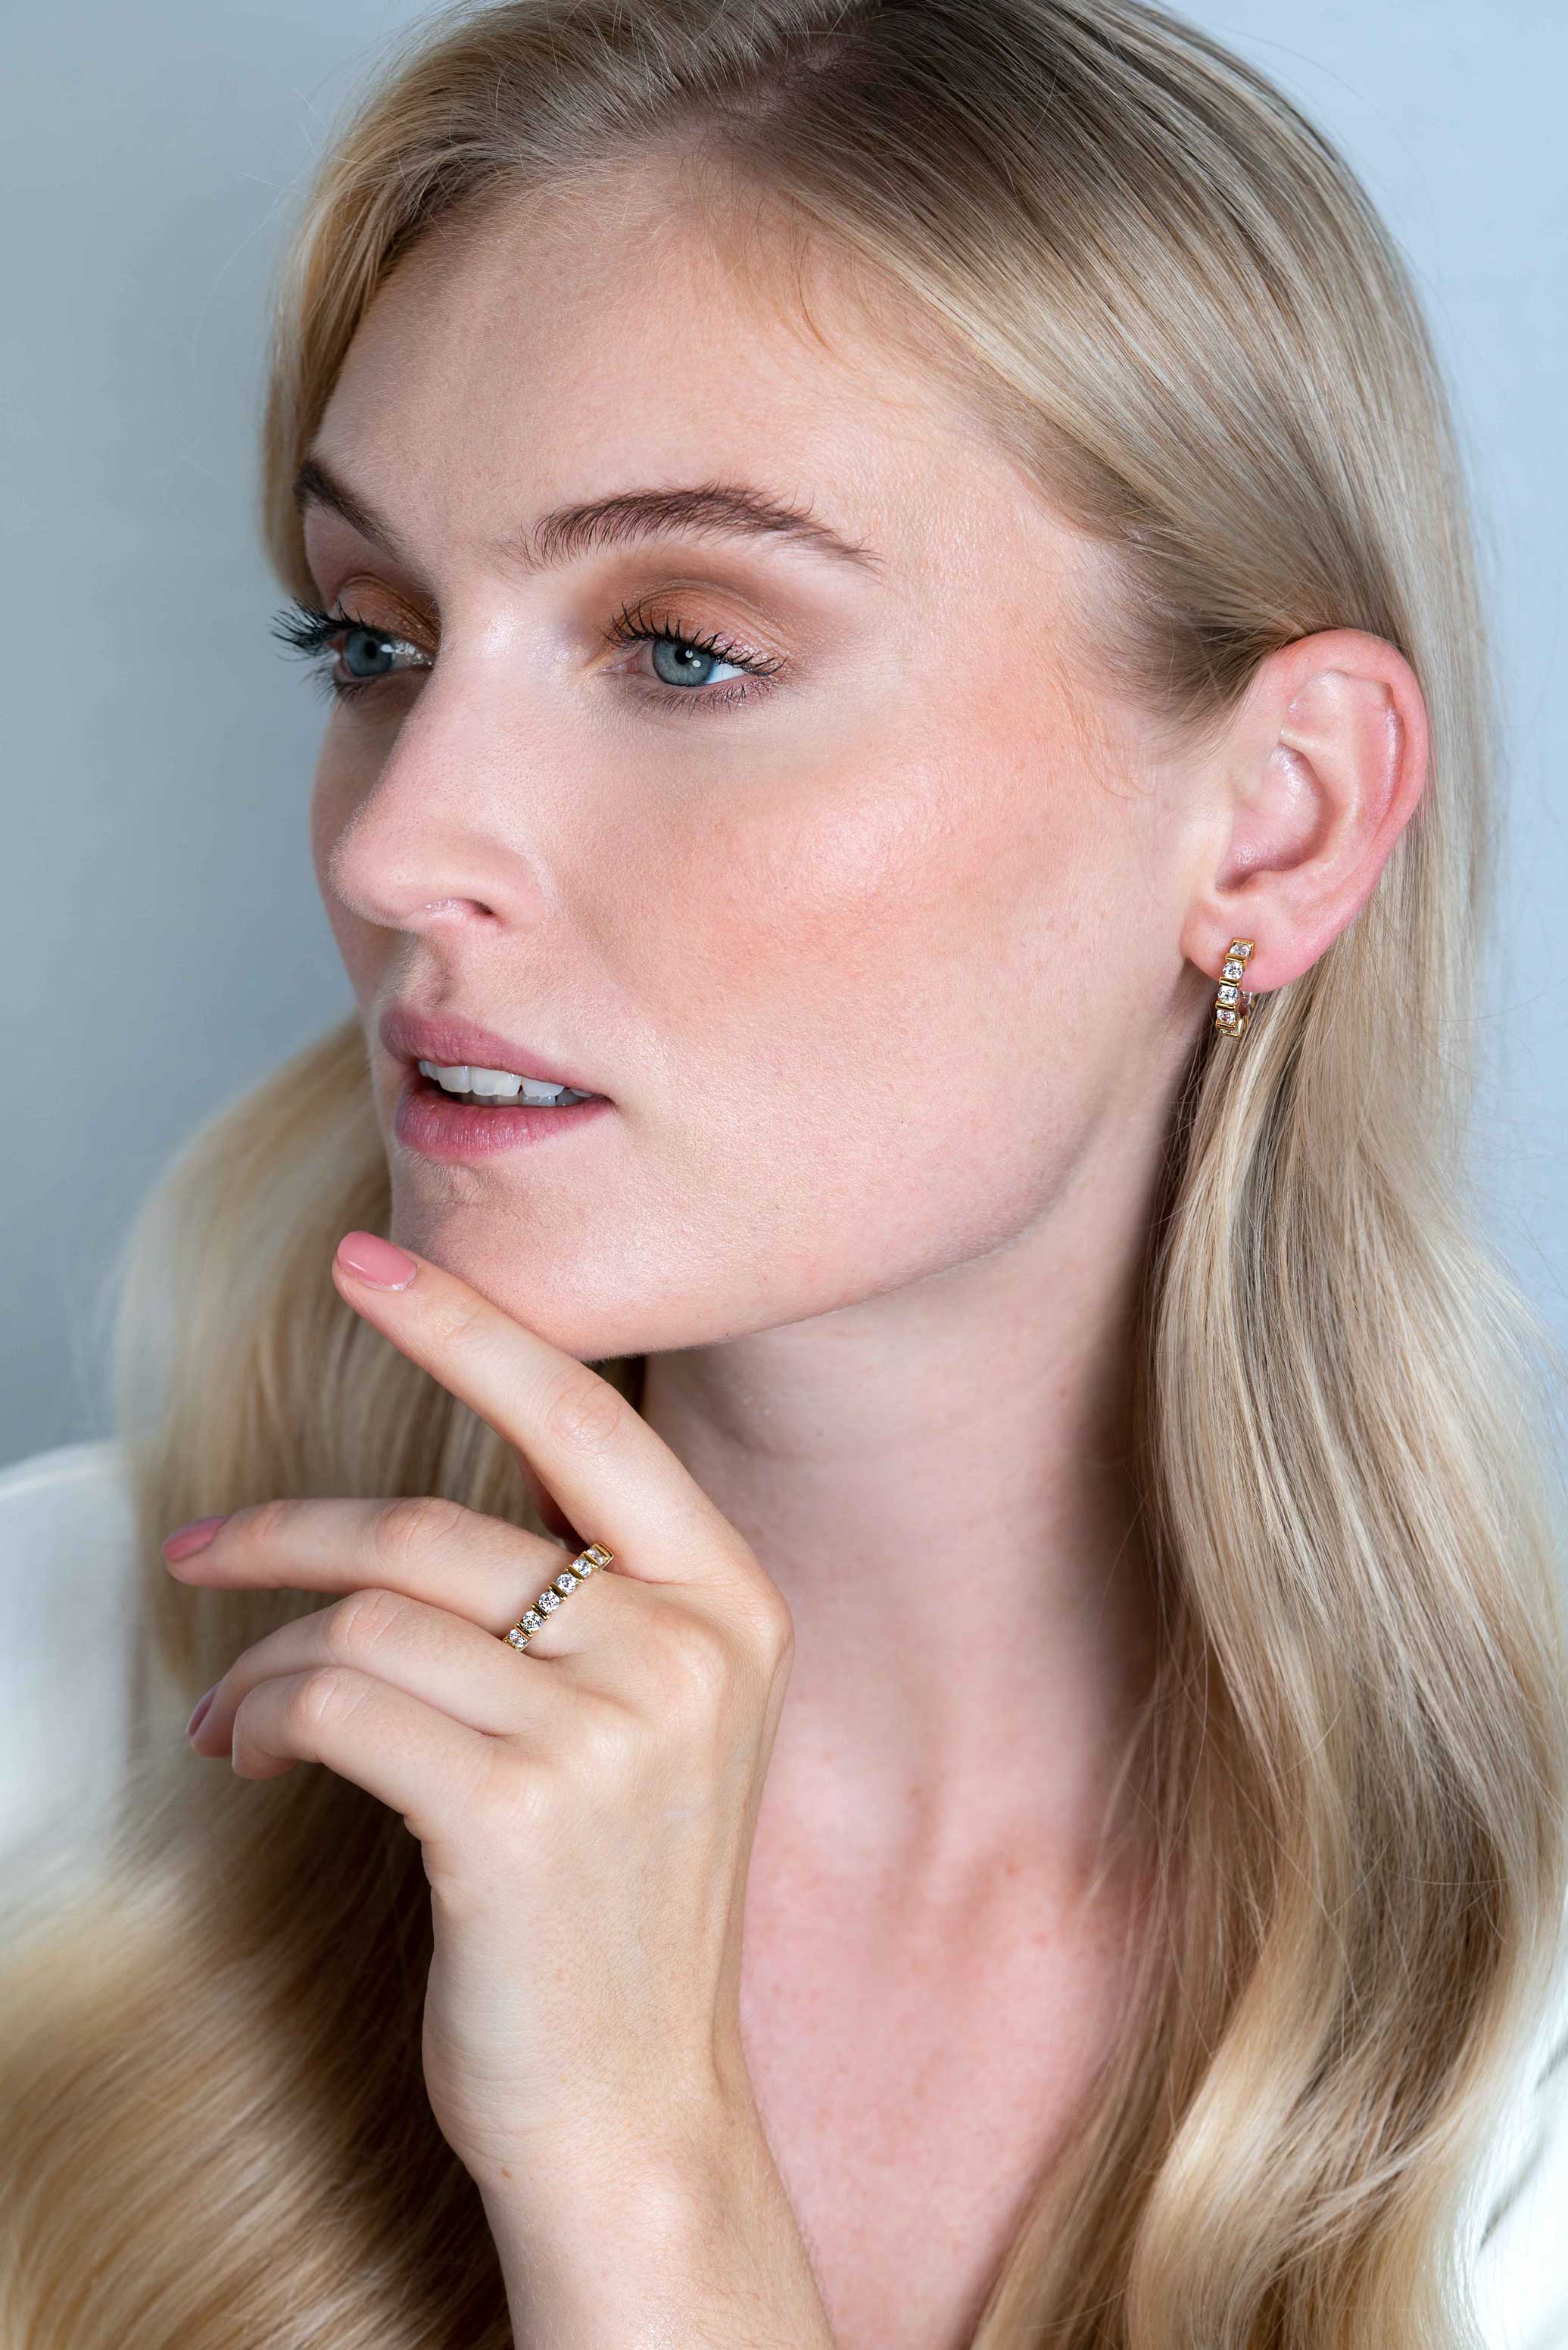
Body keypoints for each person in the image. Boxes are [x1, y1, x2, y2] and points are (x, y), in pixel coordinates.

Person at [2, 1, 1566, 2343]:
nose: (402, 846)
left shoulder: (1527, 2053)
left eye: (685, 652)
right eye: (372, 638)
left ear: (1279, 818)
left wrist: (645, 2184)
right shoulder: (55, 1701)